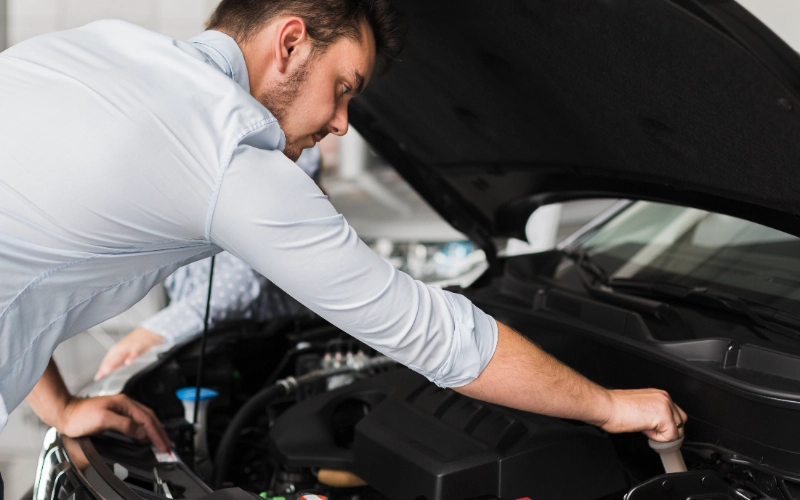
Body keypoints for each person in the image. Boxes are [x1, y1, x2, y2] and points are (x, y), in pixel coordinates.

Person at [0, 0, 687, 454]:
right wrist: (608, 407)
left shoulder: (99, 51)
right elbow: (430, 332)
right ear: (292, 42)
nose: (340, 122)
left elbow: (28, 246)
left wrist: (59, 404)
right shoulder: (227, 152)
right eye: (346, 86)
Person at [93, 147, 321, 381]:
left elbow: (245, 275)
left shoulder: (269, 146)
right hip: (208, 340)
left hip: (273, 345)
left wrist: (154, 332)